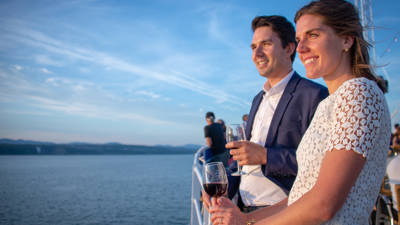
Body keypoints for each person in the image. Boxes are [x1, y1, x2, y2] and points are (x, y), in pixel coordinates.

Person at [209, 0, 391, 224]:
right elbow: (302, 195)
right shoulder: (331, 103)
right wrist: (245, 219)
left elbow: (323, 206)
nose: (302, 48)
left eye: (313, 35)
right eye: (299, 39)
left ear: (346, 39)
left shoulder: (358, 92)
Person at [203, 15, 329, 214]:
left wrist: (266, 156)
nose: (257, 53)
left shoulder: (315, 95)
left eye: (266, 44)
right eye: (253, 47)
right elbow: (242, 163)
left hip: (284, 212)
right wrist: (223, 188)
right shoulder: (257, 99)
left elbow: (325, 167)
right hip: (244, 209)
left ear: (289, 48)